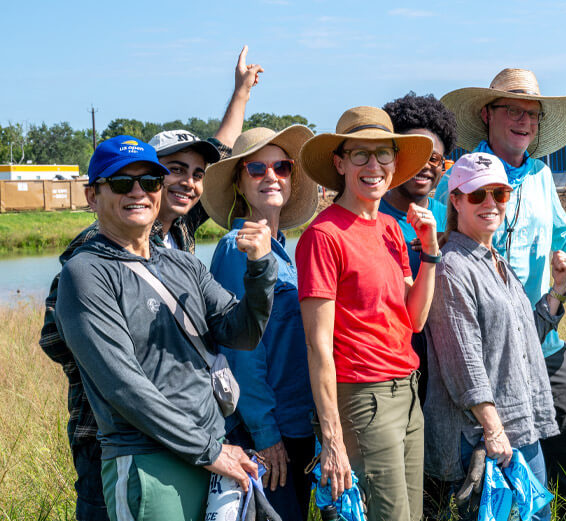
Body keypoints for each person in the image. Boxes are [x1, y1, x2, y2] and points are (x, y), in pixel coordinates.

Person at [39, 46, 263, 521]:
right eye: (124, 182)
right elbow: (63, 344)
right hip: (114, 436)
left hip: (192, 435)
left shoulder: (175, 236)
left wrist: (240, 93)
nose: (183, 183)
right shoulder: (91, 257)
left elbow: (217, 152)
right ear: (95, 194)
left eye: (157, 180)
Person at [439, 68, 566, 517]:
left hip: (544, 340)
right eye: (513, 109)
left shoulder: (542, 175)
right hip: (492, 355)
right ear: (487, 114)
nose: (524, 120)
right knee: (500, 469)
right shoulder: (462, 175)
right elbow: (436, 245)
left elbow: (565, 236)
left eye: (532, 113)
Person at [295, 106, 436, 521]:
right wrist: (332, 437)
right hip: (363, 400)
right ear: (339, 163)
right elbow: (317, 346)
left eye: (383, 154)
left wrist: (429, 252)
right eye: (360, 155)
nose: (373, 165)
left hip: (408, 392)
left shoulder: (392, 229)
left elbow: (415, 320)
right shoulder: (324, 236)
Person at [425, 152, 566, 521]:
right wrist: (493, 430)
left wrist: (558, 288)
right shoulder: (452, 268)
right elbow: (463, 362)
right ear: (455, 200)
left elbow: (522, 341)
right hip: (484, 439)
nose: (490, 203)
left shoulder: (496, 261)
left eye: (499, 194)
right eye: (477, 195)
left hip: (520, 428)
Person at [204, 125, 318, 521]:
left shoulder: (282, 247)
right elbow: (241, 352)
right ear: (239, 182)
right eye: (256, 168)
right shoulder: (239, 248)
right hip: (268, 433)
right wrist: (266, 435)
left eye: (282, 167)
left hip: (298, 425)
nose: (271, 176)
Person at [379, 91, 457, 521]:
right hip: (391, 379)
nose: (427, 165)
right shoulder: (371, 218)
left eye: (438, 158)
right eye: (417, 152)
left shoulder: (451, 215)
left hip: (445, 371)